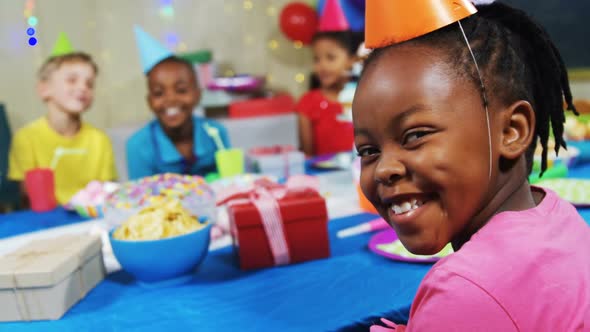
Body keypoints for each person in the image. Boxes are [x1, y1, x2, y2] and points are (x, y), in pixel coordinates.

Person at [352, 1, 590, 330]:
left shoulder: (464, 293)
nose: (383, 169)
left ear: (512, 131)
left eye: (415, 135)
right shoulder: (556, 215)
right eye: (368, 150)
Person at [8, 51, 116, 205]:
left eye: (89, 84)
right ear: (44, 89)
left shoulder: (100, 140)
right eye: (72, 80)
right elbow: (27, 197)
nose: (83, 87)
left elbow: (106, 192)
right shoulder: (26, 138)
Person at [126, 56, 230, 179]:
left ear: (198, 95)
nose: (171, 99)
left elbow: (231, 181)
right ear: (149, 101)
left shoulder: (215, 133)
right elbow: (140, 193)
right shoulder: (138, 146)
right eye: (159, 93)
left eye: (181, 90)